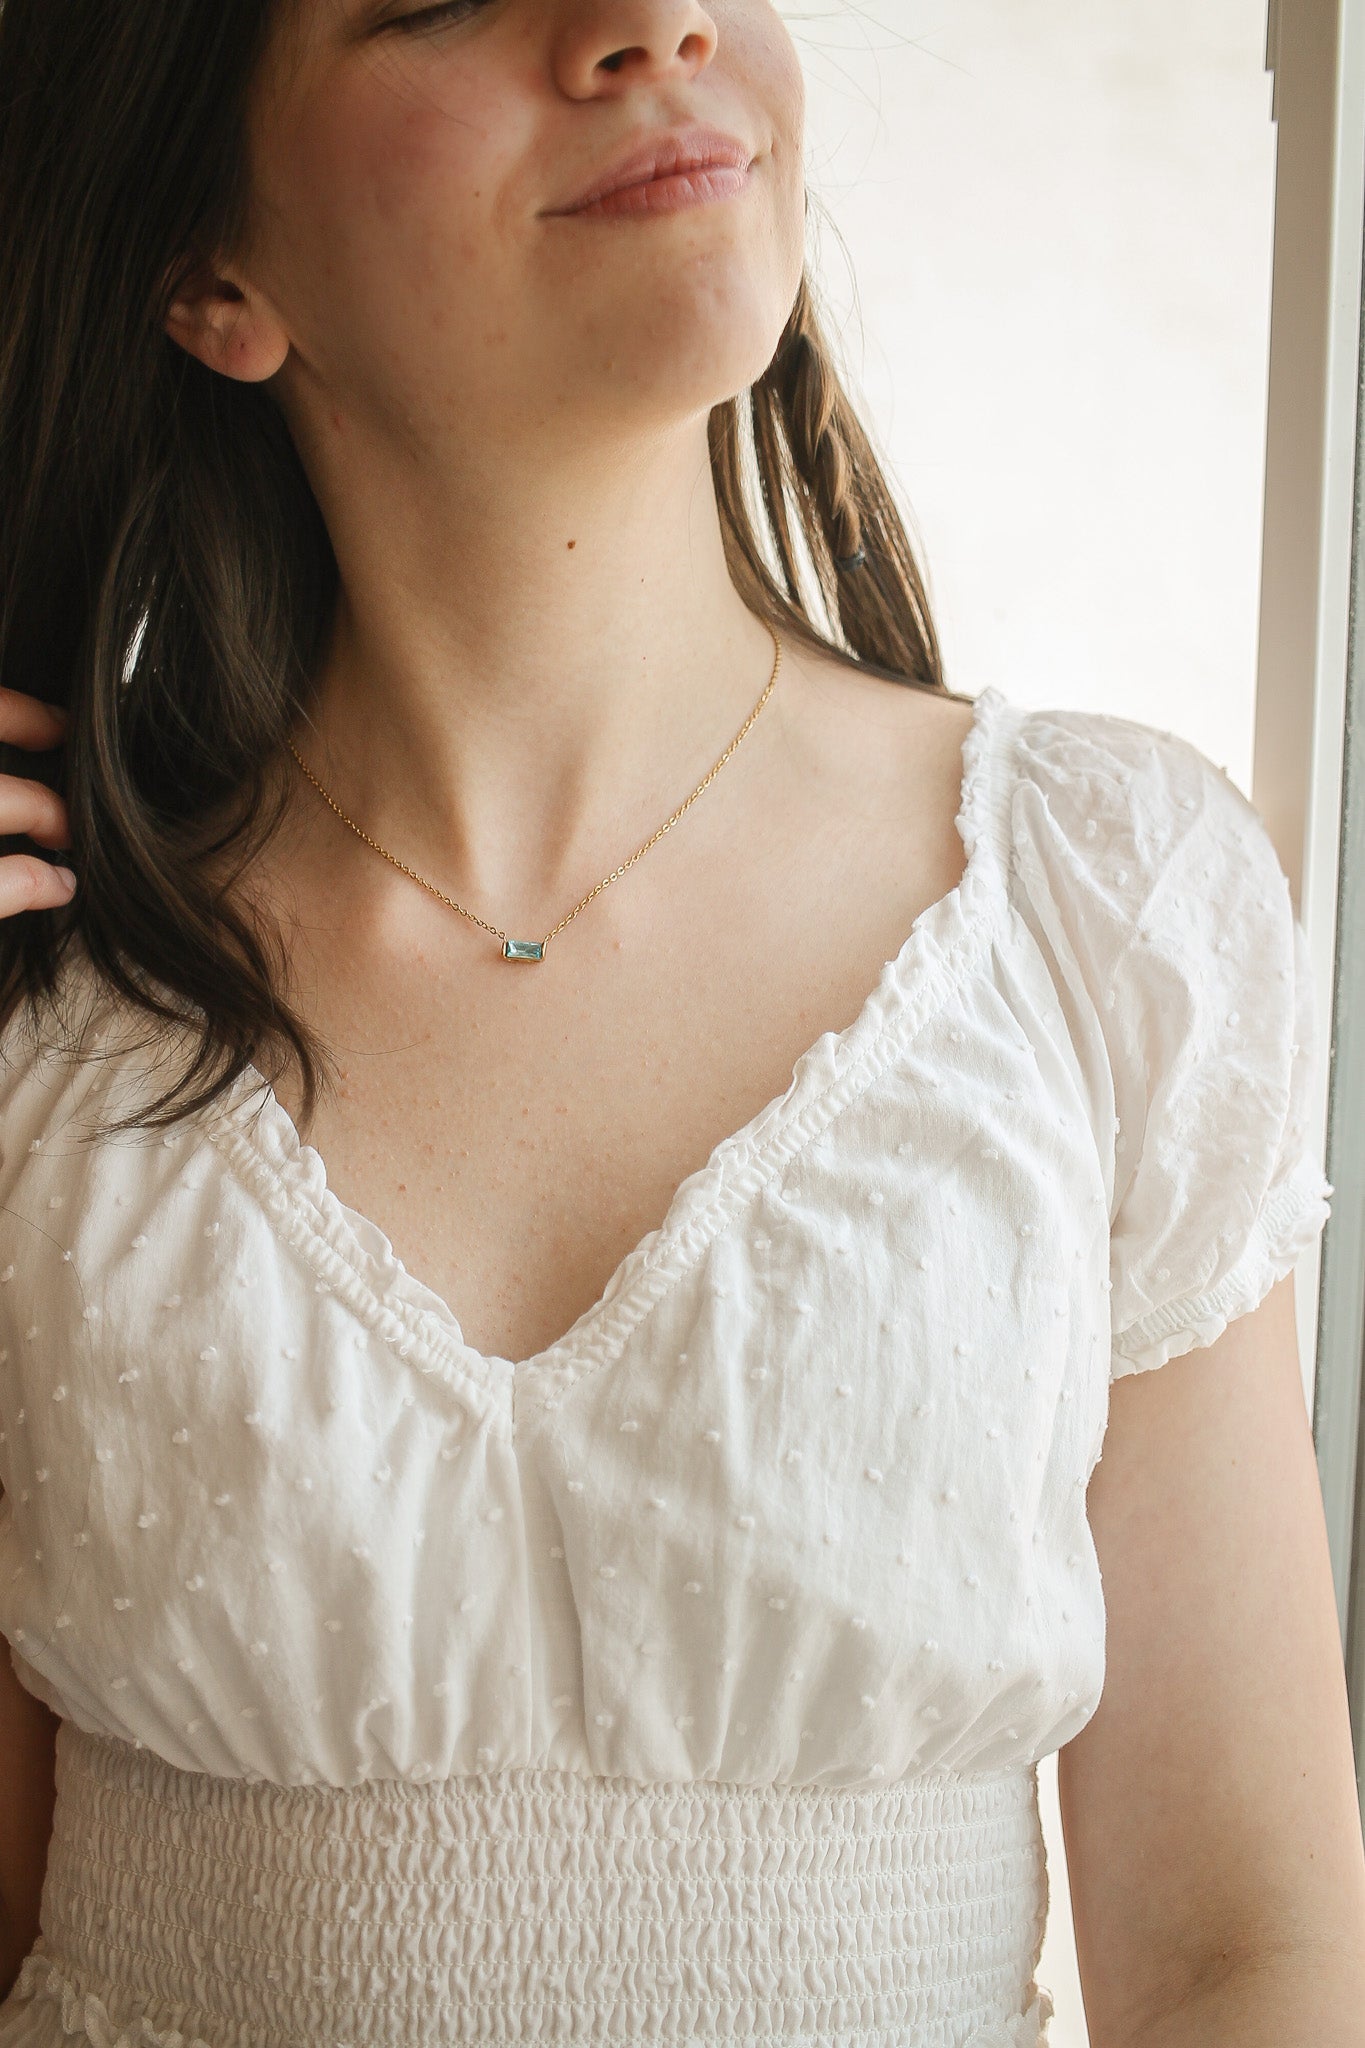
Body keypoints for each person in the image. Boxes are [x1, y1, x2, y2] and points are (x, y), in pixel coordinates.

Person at [0, 2, 1362, 2044]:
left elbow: (1237, 1954)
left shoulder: (1098, 908)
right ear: (212, 275)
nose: (648, 19)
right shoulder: (45, 995)